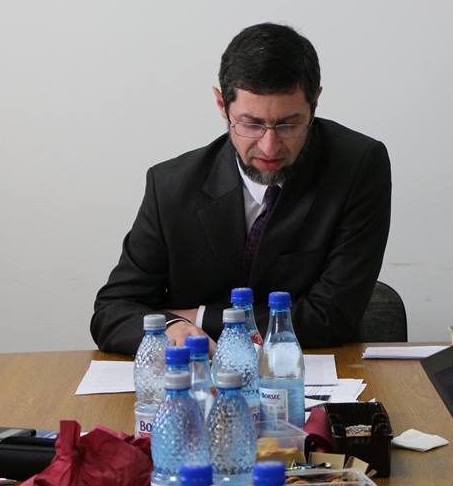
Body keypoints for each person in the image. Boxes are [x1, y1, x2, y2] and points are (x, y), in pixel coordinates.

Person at [90, 23, 392, 355]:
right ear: (222, 105)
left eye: (288, 124)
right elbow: (112, 312)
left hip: (309, 367)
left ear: (315, 103)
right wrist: (175, 327)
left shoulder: (358, 167)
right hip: (198, 377)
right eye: (251, 124)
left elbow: (331, 316)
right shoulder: (171, 187)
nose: (269, 146)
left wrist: (200, 317)